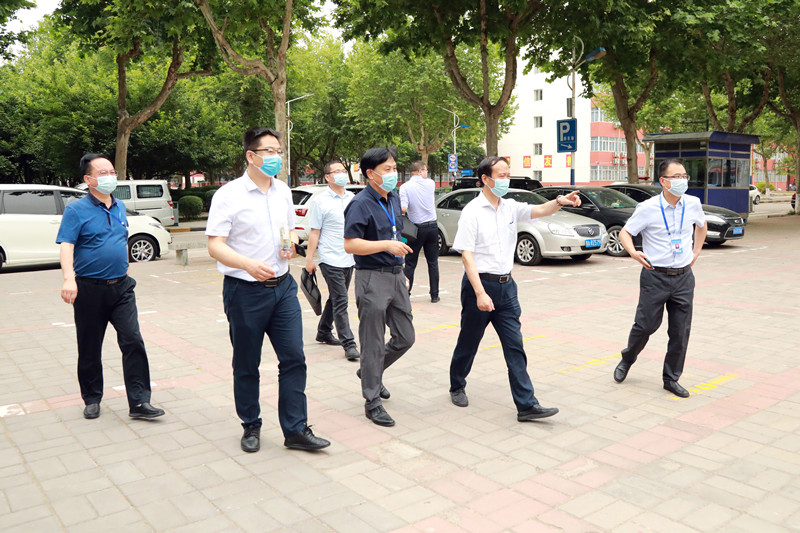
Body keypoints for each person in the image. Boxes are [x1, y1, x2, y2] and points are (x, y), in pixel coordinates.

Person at [206, 127, 330, 452]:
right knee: (247, 363)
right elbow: (215, 245)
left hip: (283, 288)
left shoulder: (283, 191)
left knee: (294, 358)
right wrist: (247, 264)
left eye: (279, 151)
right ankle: (251, 424)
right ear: (251, 155)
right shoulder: (228, 195)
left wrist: (291, 242)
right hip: (245, 291)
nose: (276, 157)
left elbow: (291, 229)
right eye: (270, 151)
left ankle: (296, 429)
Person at [448, 156, 579, 421]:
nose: (506, 179)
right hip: (479, 285)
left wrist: (559, 201)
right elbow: (467, 256)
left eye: (508, 174)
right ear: (485, 179)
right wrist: (480, 293)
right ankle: (457, 384)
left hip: (506, 287)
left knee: (515, 345)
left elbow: (539, 211)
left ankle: (526, 405)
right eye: (501, 175)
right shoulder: (472, 211)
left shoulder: (509, 207)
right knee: (469, 341)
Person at [57, 153, 165, 421]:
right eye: (103, 173)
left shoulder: (119, 206)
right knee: (90, 346)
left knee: (133, 340)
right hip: (89, 289)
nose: (110, 177)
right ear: (88, 179)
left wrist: (124, 262)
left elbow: (121, 237)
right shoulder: (76, 210)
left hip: (121, 288)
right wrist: (69, 278)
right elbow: (67, 245)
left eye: (112, 172)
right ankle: (92, 398)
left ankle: (139, 401)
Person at [613, 159, 707, 398]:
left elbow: (702, 225)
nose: (682, 180)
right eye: (676, 177)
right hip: (655, 276)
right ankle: (628, 357)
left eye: (684, 176)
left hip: (684, 277)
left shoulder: (693, 203)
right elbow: (625, 232)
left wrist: (696, 251)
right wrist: (633, 252)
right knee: (645, 326)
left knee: (680, 331)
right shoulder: (647, 208)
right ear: (663, 181)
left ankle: (671, 378)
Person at [343, 146, 415, 427]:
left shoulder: (393, 198)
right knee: (372, 341)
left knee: (405, 337)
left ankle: (369, 371)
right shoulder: (360, 203)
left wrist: (402, 271)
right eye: (387, 169)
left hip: (395, 275)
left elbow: (396, 235)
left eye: (395, 168)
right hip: (371, 277)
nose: (393, 173)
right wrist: (385, 245)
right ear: (370, 174)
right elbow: (351, 244)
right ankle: (372, 401)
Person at [305, 161, 360, 361]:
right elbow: (315, 232)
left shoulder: (353, 199)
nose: (342, 174)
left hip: (349, 257)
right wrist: (309, 259)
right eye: (337, 171)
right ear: (327, 177)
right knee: (341, 300)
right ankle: (349, 343)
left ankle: (323, 331)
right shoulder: (320, 201)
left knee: (336, 297)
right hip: (329, 258)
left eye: (343, 171)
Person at [400, 161, 440, 302]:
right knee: (433, 262)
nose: (426, 173)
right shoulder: (431, 184)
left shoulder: (405, 187)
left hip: (416, 229)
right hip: (432, 227)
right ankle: (434, 295)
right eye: (425, 171)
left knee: (410, 262)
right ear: (420, 171)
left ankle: (406, 293)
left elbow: (403, 209)